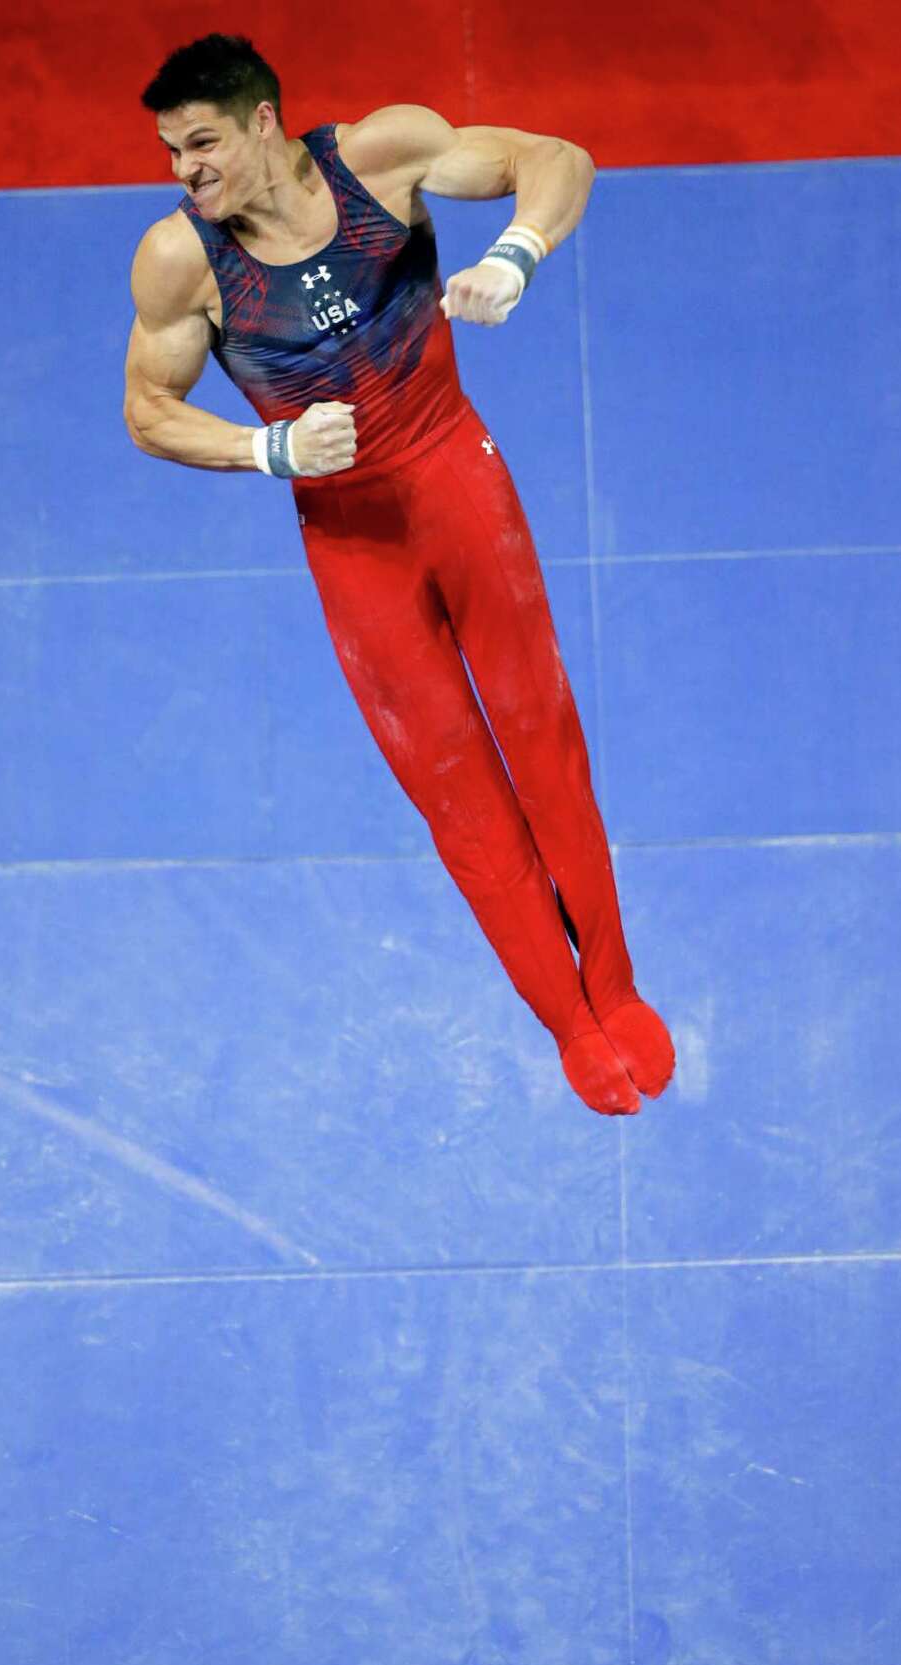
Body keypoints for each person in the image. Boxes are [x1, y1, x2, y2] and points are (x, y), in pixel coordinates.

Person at [124, 33, 675, 1117]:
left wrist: (515, 253)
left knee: (542, 739)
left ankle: (615, 986)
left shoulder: (383, 157)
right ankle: (570, 1022)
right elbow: (147, 410)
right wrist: (267, 450)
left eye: (201, 143)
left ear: (265, 122)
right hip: (349, 539)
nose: (184, 169)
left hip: (455, 478)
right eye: (168, 150)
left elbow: (555, 157)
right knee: (457, 797)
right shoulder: (180, 261)